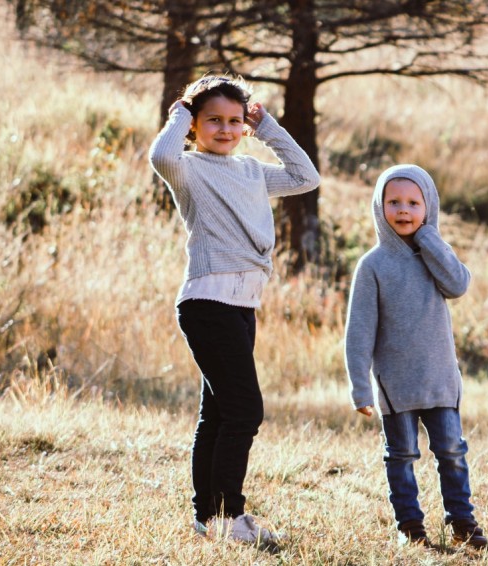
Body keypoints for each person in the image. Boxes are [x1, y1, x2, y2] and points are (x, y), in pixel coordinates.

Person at [149, 74, 321, 546]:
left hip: (242, 306)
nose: (224, 129)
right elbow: (159, 155)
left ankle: (208, 517)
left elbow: (306, 177)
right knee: (245, 411)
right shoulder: (187, 167)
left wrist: (267, 127)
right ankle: (229, 518)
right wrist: (182, 109)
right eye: (212, 121)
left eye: (232, 121)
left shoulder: (250, 171)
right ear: (194, 127)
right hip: (208, 302)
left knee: (220, 412)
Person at [344, 163, 488, 549]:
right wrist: (360, 388)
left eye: (413, 202)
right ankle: (410, 528)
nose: (403, 210)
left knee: (453, 453)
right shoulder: (372, 265)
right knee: (402, 456)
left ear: (429, 207)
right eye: (393, 202)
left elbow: (458, 284)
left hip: (440, 378)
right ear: (379, 207)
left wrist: (429, 238)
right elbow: (359, 333)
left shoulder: (436, 254)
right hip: (396, 385)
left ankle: (463, 523)